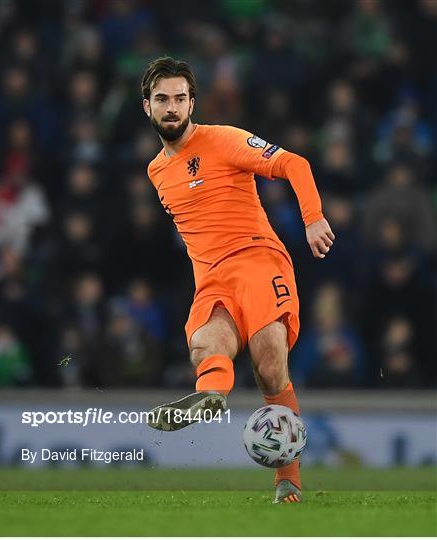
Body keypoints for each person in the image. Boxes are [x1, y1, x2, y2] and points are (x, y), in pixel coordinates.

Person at [142, 57, 335, 503]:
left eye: (179, 98)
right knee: (205, 345)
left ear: (192, 102)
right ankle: (209, 397)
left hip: (257, 259)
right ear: (147, 107)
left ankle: (288, 478)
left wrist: (312, 218)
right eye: (162, 99)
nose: (171, 108)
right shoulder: (156, 171)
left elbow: (295, 164)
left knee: (270, 366)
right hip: (212, 279)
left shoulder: (223, 140)